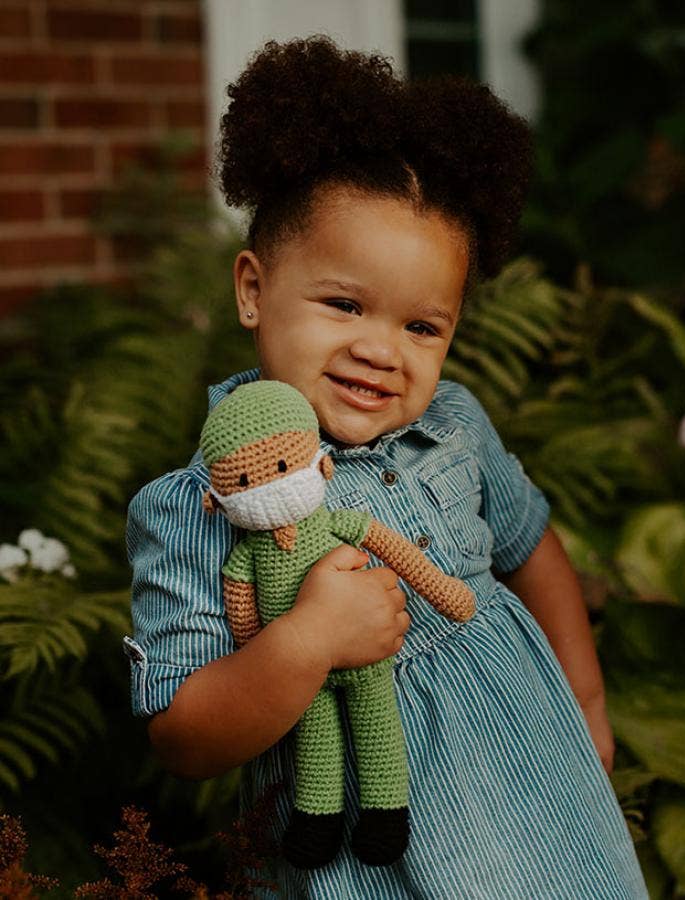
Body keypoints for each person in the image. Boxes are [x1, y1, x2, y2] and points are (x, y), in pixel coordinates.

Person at [125, 36, 648, 899]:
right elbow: (184, 734)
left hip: (537, 792)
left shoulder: (454, 426)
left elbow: (531, 545)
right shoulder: (201, 506)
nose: (380, 350)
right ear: (253, 290)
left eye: (422, 327)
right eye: (344, 304)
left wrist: (586, 701)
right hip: (364, 859)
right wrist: (307, 641)